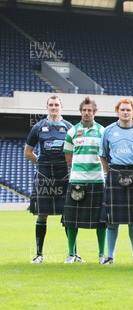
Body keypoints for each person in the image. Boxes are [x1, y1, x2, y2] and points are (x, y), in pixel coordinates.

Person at [24, 95, 73, 264]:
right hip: (44, 174)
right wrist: (42, 163)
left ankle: (72, 254)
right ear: (47, 107)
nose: (54, 107)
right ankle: (39, 254)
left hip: (64, 174)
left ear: (62, 107)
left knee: (68, 214)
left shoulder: (69, 127)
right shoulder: (38, 127)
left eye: (56, 105)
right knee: (41, 214)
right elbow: (28, 152)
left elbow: (76, 151)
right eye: (51, 105)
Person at [99, 98, 133, 265]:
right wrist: (110, 172)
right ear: (117, 111)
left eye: (128, 110)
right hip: (114, 173)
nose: (125, 112)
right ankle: (110, 256)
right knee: (112, 219)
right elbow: (103, 155)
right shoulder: (108, 131)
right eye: (122, 110)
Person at [62, 97, 106, 264]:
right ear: (80, 112)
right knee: (71, 219)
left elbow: (105, 155)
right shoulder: (72, 132)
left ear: (95, 112)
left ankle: (102, 255)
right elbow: (68, 157)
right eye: (84, 110)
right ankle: (71, 254)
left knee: (101, 220)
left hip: (97, 180)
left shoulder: (103, 131)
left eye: (90, 110)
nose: (87, 113)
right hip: (77, 180)